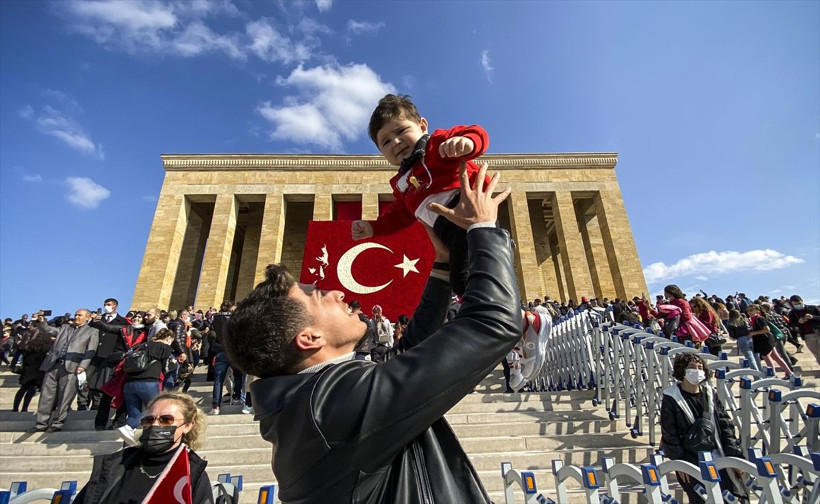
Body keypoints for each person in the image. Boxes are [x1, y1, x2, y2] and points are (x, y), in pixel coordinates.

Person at [224, 161, 519, 502]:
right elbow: (492, 323)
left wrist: (440, 265)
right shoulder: (332, 409)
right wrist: (483, 228)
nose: (336, 293)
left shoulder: (312, 404)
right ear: (309, 339)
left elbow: (405, 355)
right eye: (319, 296)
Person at [351, 94, 489, 296]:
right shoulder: (401, 184)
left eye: (401, 130)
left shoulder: (436, 145)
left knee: (472, 278)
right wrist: (373, 228)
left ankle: (517, 317)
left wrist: (466, 142)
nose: (396, 142)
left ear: (422, 125)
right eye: (386, 142)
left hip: (466, 214)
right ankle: (520, 318)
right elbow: (398, 217)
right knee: (465, 283)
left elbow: (477, 132)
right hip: (446, 233)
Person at [74, 391, 213, 504]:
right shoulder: (116, 463)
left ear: (188, 426)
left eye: (166, 420)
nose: (155, 425)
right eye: (149, 419)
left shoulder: (191, 473)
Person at [660, 353, 745, 502]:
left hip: (717, 456)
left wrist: (734, 458)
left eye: (700, 367)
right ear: (682, 370)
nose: (697, 371)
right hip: (691, 458)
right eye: (692, 367)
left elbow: (725, 426)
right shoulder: (671, 397)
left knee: (726, 498)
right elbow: (669, 432)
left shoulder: (710, 394)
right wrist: (681, 462)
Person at [28, 309, 99, 433]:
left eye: (79, 315)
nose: (76, 317)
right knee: (46, 396)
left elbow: (91, 350)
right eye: (75, 314)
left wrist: (83, 365)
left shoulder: (92, 331)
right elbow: (49, 330)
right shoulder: (65, 328)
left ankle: (57, 423)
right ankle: (41, 424)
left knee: (65, 396)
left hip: (72, 367)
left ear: (87, 318)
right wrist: (42, 321)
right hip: (53, 365)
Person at [118, 328, 175, 445]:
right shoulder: (165, 347)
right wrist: (174, 364)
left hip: (129, 383)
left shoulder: (142, 345)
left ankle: (127, 444)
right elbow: (166, 368)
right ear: (168, 338)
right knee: (154, 409)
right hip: (148, 382)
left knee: (134, 414)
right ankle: (129, 427)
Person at [746, 304, 792, 378]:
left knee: (767, 357)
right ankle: (789, 373)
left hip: (765, 341)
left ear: (757, 311)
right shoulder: (753, 319)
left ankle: (773, 374)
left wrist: (753, 333)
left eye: (751, 310)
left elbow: (767, 329)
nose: (749, 312)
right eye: (748, 310)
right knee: (776, 357)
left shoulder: (759, 319)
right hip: (766, 340)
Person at [12, 330, 50, 412]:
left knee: (22, 389)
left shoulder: (30, 346)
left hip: (27, 370)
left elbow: (24, 357)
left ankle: (15, 407)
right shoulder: (45, 348)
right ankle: (24, 408)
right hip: (37, 371)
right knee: (31, 391)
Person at [787, 295, 820, 365]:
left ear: (802, 301)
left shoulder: (812, 308)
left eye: (799, 303)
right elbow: (791, 324)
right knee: (817, 354)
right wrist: (798, 322)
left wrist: (813, 317)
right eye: (795, 304)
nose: (798, 305)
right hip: (807, 335)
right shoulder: (792, 313)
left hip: (818, 332)